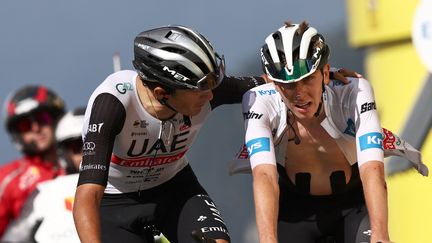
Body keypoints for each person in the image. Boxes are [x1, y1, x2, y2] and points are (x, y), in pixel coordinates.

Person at [72, 25, 360, 243]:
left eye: (213, 83)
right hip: (115, 202)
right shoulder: (113, 104)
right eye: (201, 89)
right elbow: (86, 196)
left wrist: (325, 74)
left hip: (174, 189)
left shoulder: (210, 90)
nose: (211, 94)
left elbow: (275, 81)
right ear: (162, 93)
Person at [241, 21, 427, 243]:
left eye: (307, 79)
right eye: (288, 85)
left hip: (352, 208)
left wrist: (381, 236)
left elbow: (372, 169)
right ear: (273, 84)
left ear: (326, 73)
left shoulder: (354, 92)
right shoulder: (258, 103)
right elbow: (264, 176)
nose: (299, 93)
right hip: (295, 211)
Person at [1, 107, 85, 243]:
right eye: (77, 146)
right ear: (64, 151)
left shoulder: (128, 180)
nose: (36, 129)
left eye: (42, 119)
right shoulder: (44, 191)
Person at [0, 85, 65, 238]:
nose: (36, 128)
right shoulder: (9, 178)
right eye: (25, 126)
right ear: (17, 135)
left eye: (42, 119)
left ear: (57, 119)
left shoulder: (85, 162)